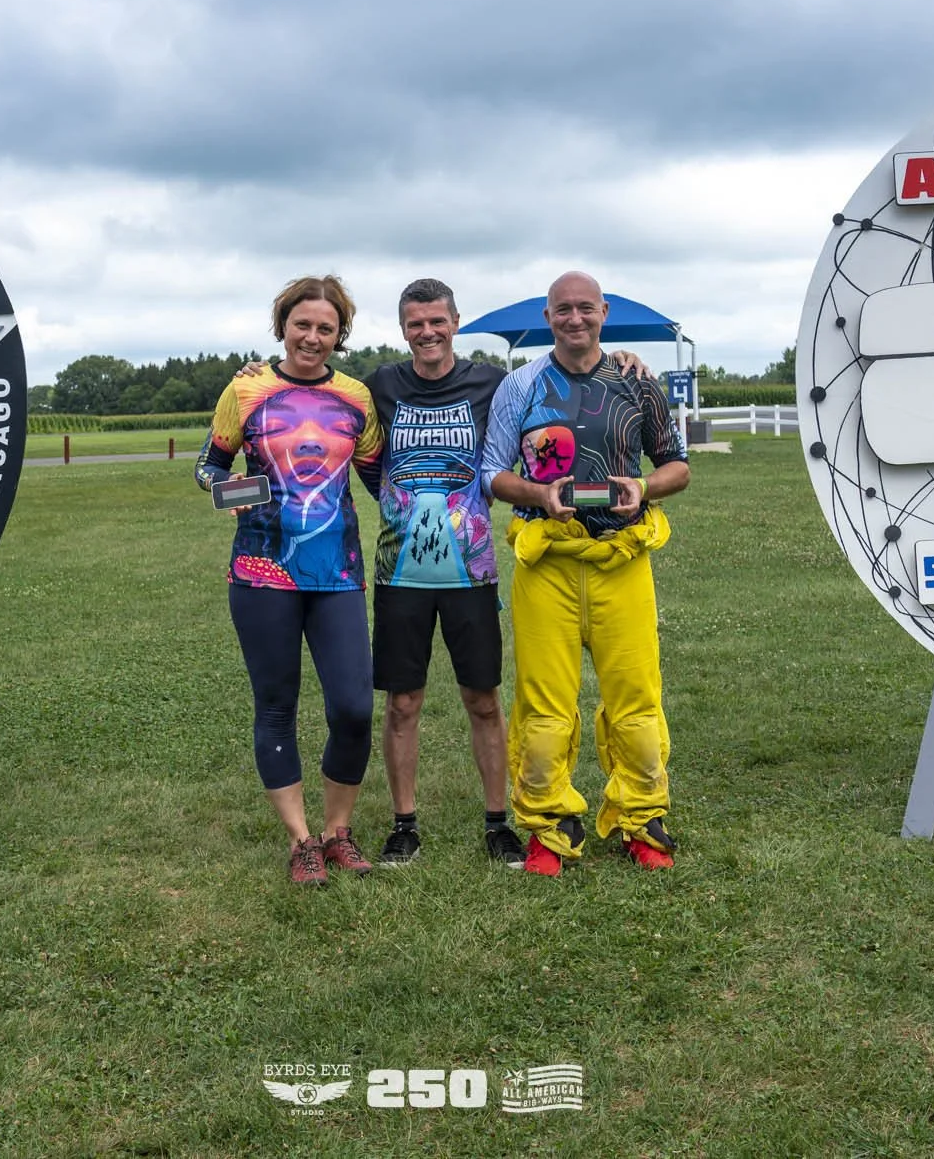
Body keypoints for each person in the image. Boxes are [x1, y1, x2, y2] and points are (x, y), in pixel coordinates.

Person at [358, 279, 655, 868]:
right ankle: (403, 825)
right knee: (402, 703)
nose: (428, 333)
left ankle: (499, 824)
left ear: (455, 322)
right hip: (400, 570)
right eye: (416, 323)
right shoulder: (380, 386)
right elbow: (359, 447)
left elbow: (551, 394)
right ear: (402, 328)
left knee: (484, 700)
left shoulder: (492, 383)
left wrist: (627, 359)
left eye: (437, 321)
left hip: (472, 570)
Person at [480, 271, 691, 876]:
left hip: (621, 561)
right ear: (549, 317)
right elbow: (492, 473)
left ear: (603, 313)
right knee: (544, 706)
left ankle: (642, 821)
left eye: (585, 309)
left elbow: (677, 465)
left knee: (636, 700)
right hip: (547, 563)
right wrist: (539, 494)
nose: (575, 319)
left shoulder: (636, 381)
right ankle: (550, 830)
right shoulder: (520, 385)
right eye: (563, 310)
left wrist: (643, 486)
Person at [197, 276, 386, 885]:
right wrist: (234, 492)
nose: (312, 336)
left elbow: (379, 477)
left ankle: (339, 832)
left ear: (340, 335)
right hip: (260, 573)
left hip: (337, 574)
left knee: (354, 708)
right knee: (276, 706)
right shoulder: (247, 387)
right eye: (301, 324)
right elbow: (210, 466)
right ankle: (303, 841)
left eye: (325, 328)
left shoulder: (356, 396)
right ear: (282, 325)